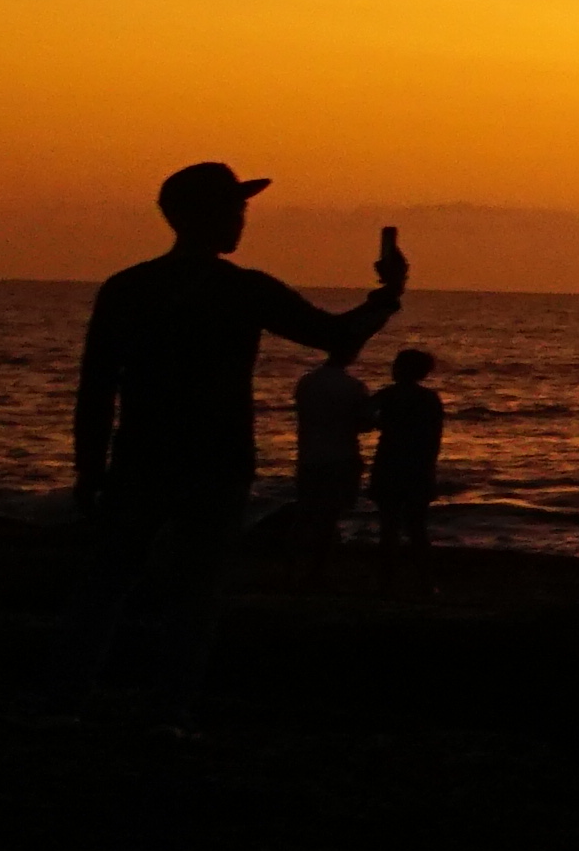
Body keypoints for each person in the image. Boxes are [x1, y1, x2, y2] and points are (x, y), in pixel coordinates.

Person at [72, 166, 402, 703]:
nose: (241, 221)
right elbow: (335, 337)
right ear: (208, 215)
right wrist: (388, 297)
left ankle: (74, 696)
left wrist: (89, 467)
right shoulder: (241, 290)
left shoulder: (128, 288)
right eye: (235, 210)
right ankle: (170, 708)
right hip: (216, 459)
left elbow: (97, 386)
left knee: (108, 583)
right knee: (195, 592)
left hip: (141, 455)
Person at [288, 332, 378, 580]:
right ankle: (318, 569)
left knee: (305, 513)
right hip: (341, 455)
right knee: (329, 516)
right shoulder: (353, 386)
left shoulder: (306, 382)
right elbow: (364, 423)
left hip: (309, 455)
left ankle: (293, 565)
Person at [367, 347, 448, 592]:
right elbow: (435, 438)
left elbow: (361, 419)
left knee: (389, 526)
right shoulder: (430, 399)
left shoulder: (386, 395)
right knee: (416, 526)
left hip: (389, 464)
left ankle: (386, 581)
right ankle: (424, 581)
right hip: (418, 466)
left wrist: (382, 423)